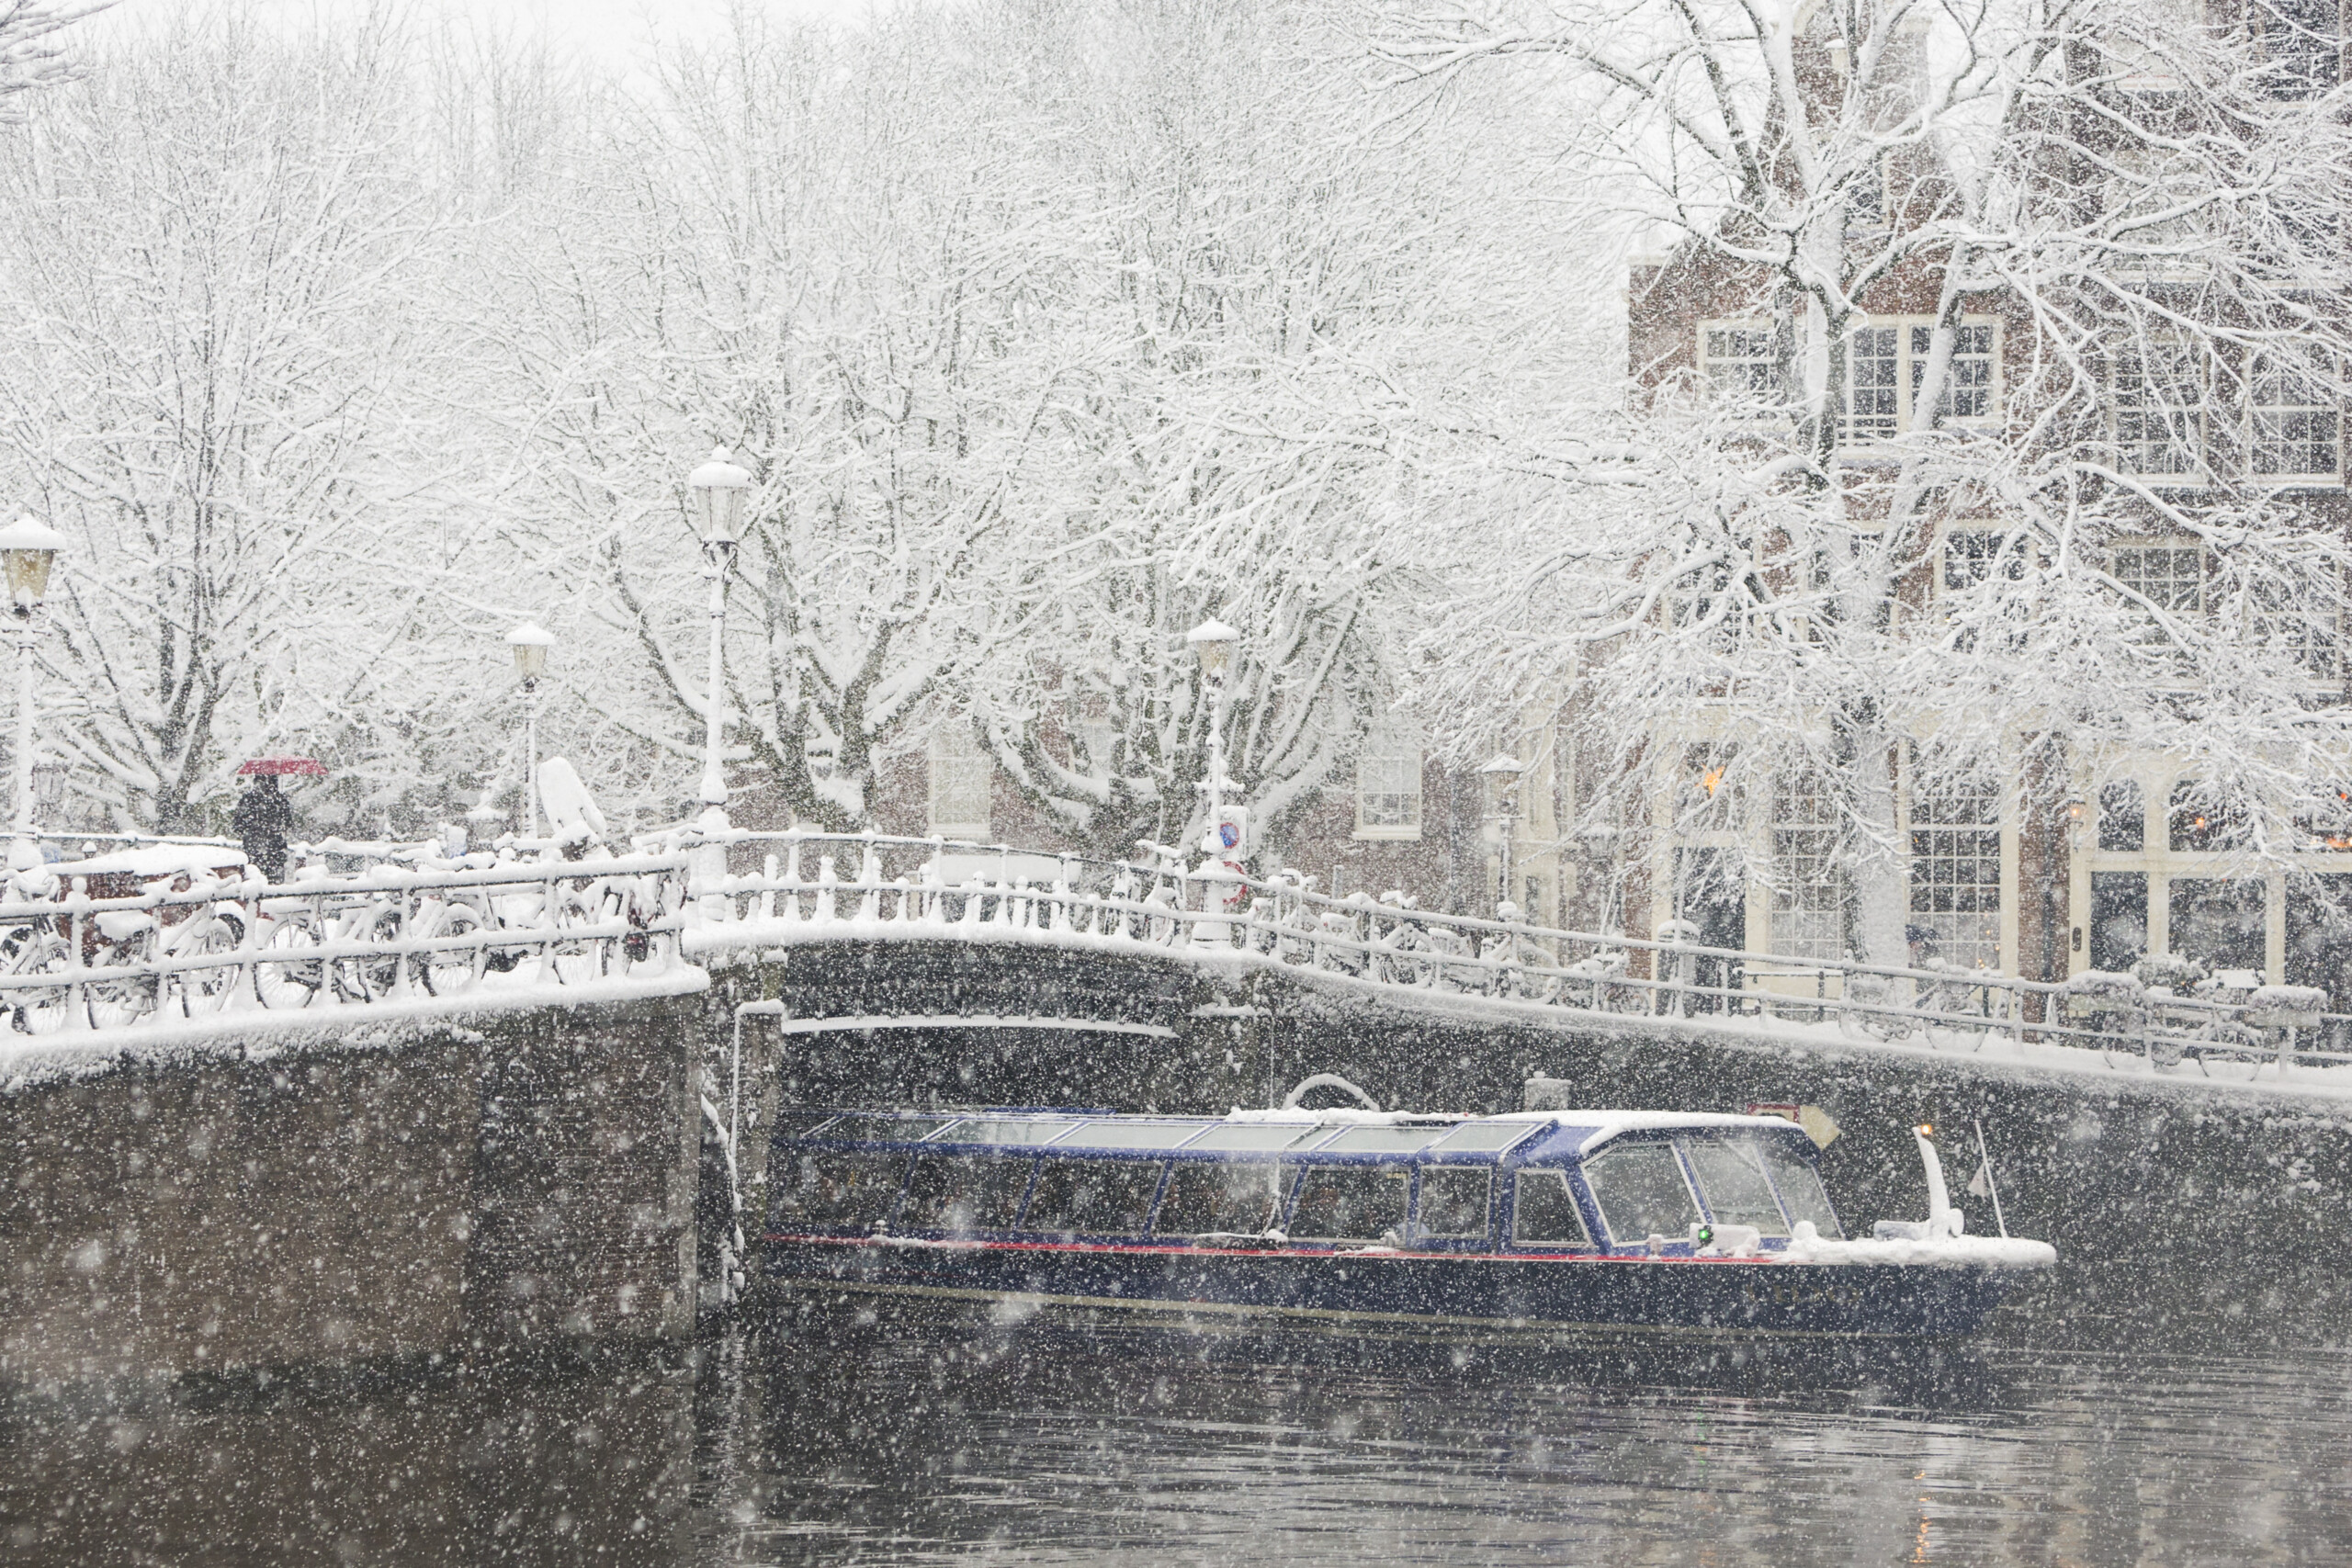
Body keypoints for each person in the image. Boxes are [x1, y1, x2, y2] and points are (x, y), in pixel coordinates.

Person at [232, 773, 295, 883]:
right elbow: (288, 823)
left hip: (253, 847)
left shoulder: (247, 799)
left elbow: (238, 825)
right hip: (275, 848)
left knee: (253, 879)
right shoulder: (279, 800)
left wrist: (252, 828)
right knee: (275, 883)